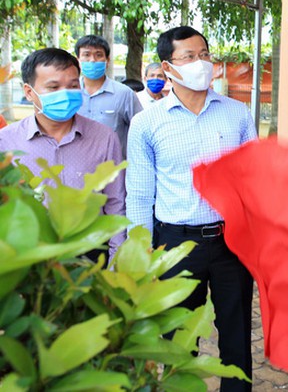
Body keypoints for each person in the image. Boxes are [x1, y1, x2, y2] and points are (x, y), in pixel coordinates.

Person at [126, 26, 256, 391]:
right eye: (189, 56)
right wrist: (143, 255)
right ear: (168, 67)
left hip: (231, 241)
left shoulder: (238, 114)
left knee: (237, 333)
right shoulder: (146, 123)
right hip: (176, 244)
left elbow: (255, 178)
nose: (201, 63)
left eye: (204, 54)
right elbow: (138, 194)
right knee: (178, 338)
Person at [0, 48, 126, 260]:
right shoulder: (6, 141)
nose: (66, 93)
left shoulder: (104, 137)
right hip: (29, 252)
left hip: (91, 251)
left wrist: (117, 258)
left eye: (73, 85)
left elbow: (115, 202)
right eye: (53, 87)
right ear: (29, 92)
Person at [75, 35, 142, 158]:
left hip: (114, 170)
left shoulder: (124, 94)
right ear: (78, 60)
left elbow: (141, 130)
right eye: (86, 55)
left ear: (107, 60)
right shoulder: (70, 93)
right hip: (76, 167)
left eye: (98, 55)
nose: (92, 60)